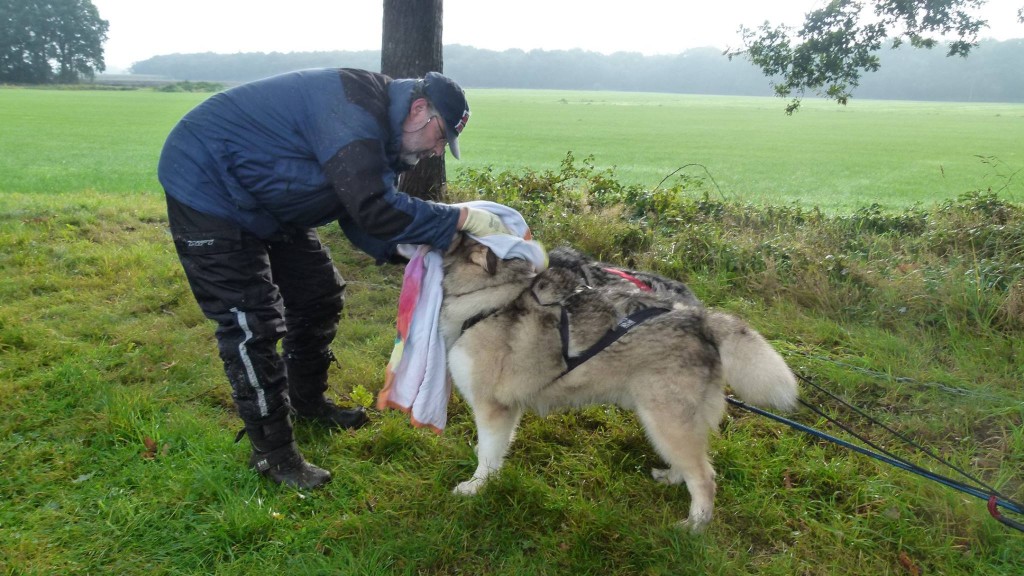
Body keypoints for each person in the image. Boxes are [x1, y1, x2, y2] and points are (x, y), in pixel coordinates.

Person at [158, 68, 508, 489]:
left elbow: (361, 217)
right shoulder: (353, 106)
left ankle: (306, 403)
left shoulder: (386, 144)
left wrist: (415, 253)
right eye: (440, 136)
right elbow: (374, 206)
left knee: (318, 295)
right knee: (252, 323)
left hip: (273, 204)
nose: (437, 151)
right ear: (419, 110)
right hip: (208, 187)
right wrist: (460, 219)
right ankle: (273, 455)